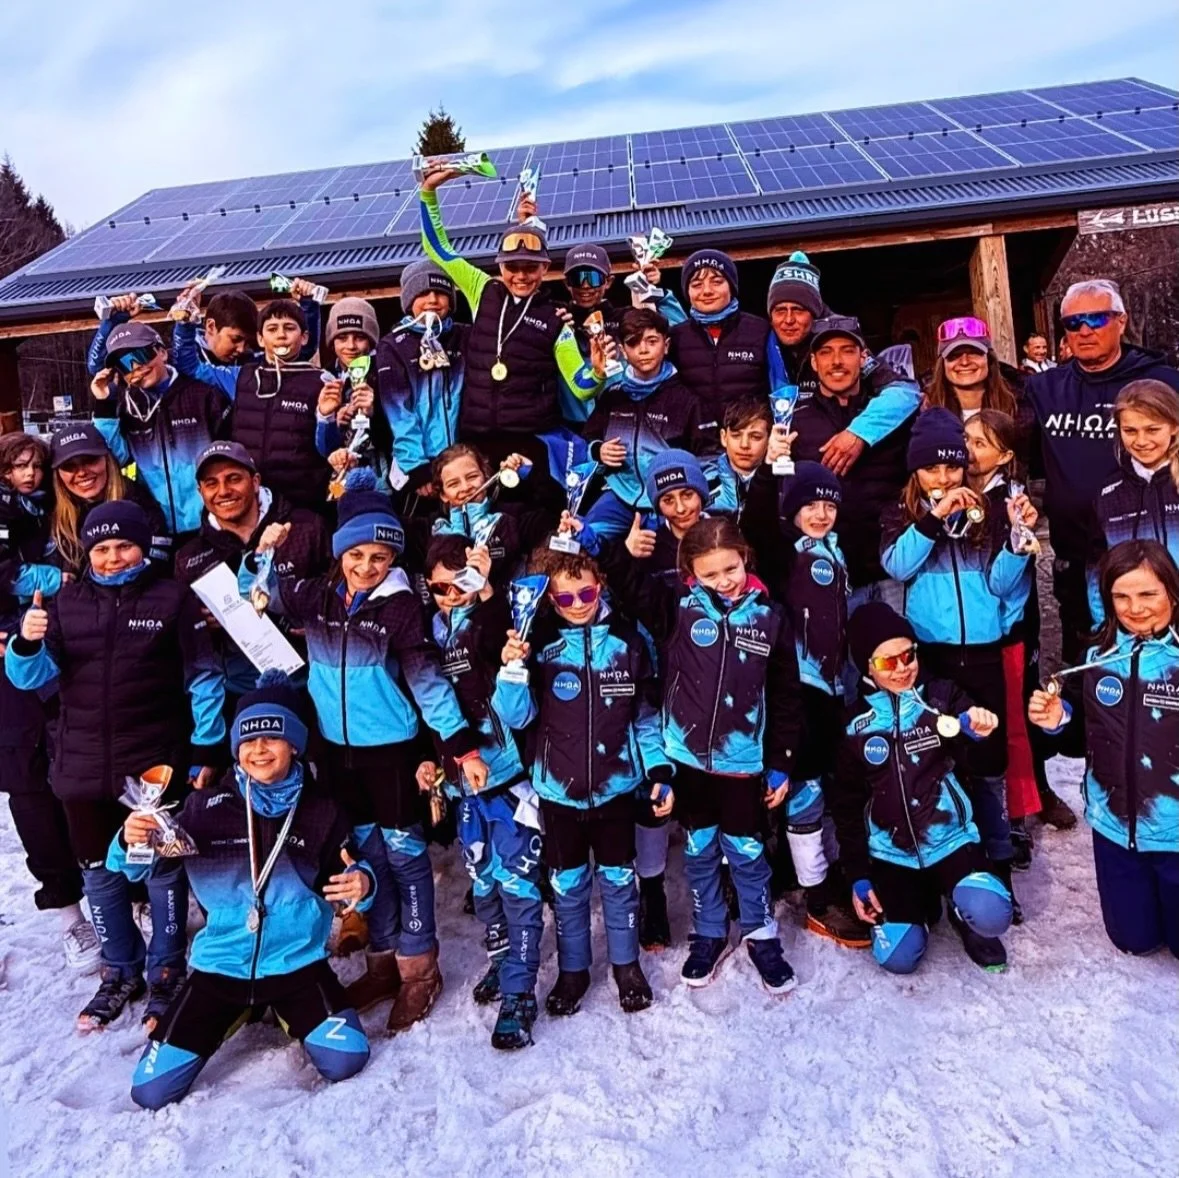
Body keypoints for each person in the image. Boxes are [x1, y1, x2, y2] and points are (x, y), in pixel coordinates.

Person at [257, 472, 488, 1033]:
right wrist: (259, 559)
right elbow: (261, 598)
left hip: (391, 753)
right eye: (358, 553)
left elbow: (428, 681)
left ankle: (419, 969)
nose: (367, 566)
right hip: (337, 756)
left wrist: (459, 747)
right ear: (340, 552)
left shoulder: (402, 607)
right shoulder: (315, 594)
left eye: (380, 556)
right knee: (366, 858)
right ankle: (383, 961)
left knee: (407, 859)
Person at [5, 501, 224, 1030]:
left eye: (123, 545)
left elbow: (204, 678)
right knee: (98, 872)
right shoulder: (64, 603)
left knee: (157, 866)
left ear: (143, 545)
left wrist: (207, 746)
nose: (112, 556)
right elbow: (30, 680)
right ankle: (119, 969)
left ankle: (167, 968)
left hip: (151, 767)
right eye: (101, 548)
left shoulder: (173, 599)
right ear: (88, 551)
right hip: (80, 765)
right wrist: (25, 642)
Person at [115, 671, 375, 1109]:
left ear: (294, 744)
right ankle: (238, 1009)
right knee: (150, 1091)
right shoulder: (203, 809)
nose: (259, 750)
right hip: (220, 969)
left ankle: (282, 1009)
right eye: (249, 740)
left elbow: (352, 874)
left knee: (347, 1058)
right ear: (236, 747)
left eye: (273, 738)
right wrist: (130, 840)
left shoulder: (321, 811)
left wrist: (362, 884)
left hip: (295, 964)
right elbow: (133, 867)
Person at [599, 515, 802, 993]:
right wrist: (615, 548)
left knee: (747, 850)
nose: (723, 582)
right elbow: (628, 586)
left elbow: (788, 698)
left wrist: (782, 763)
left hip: (742, 763)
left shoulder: (770, 618)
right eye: (709, 575)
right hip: (688, 761)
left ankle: (759, 932)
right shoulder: (676, 608)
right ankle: (709, 930)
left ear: (744, 559)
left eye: (729, 569)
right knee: (699, 848)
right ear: (690, 571)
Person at [494, 545, 667, 1032]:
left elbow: (646, 718)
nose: (577, 603)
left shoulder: (630, 641)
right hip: (559, 793)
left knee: (618, 881)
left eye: (586, 592)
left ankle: (625, 964)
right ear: (548, 599)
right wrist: (510, 668)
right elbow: (516, 716)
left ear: (602, 586)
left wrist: (657, 772)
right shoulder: (541, 645)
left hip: (615, 789)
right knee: (567, 886)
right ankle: (573, 971)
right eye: (564, 597)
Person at [881, 409, 1038, 920]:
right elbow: (896, 565)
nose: (945, 479)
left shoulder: (987, 511)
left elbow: (999, 585)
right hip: (933, 652)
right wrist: (932, 518)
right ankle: (944, 864)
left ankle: (996, 868)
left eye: (953, 469)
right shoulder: (900, 513)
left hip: (984, 649)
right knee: (941, 759)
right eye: (932, 470)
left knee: (988, 760)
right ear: (915, 472)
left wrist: (1016, 542)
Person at [832, 602, 1013, 973]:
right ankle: (923, 905)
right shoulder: (854, 726)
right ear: (866, 666)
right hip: (892, 852)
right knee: (897, 957)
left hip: (952, 840)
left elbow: (984, 761)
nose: (902, 668)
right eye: (887, 662)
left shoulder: (942, 699)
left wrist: (980, 732)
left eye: (908, 655)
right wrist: (858, 875)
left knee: (992, 913)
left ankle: (965, 914)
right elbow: (847, 806)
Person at [1029, 540, 1179, 958]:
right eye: (1122, 596)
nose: (1136, 608)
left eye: (1148, 594)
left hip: (1176, 832)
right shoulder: (1096, 657)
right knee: (1134, 941)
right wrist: (1057, 718)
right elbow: (1080, 738)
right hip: (1115, 829)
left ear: (1172, 591)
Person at [1025, 279, 1179, 674]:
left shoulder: (1164, 381)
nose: (1084, 330)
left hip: (1165, 557)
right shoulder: (1043, 388)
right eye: (1073, 322)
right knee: (1095, 673)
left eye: (1096, 318)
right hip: (1080, 563)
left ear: (1121, 321)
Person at [417, 535, 542, 1022]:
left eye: (462, 584)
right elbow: (430, 705)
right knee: (482, 880)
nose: (454, 596)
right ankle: (500, 958)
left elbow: (499, 635)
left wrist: (486, 589)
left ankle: (520, 990)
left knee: (517, 883)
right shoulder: (429, 632)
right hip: (461, 783)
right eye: (443, 589)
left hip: (508, 777)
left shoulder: (492, 619)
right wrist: (430, 762)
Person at [419, 168, 605, 473]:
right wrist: (428, 193)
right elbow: (437, 249)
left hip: (529, 442)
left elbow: (582, 386)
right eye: (512, 266)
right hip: (476, 439)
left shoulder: (555, 320)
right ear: (500, 265)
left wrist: (597, 372)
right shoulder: (482, 287)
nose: (521, 275)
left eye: (530, 268)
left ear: (545, 268)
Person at [0, 433, 98, 971]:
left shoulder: (56, 511)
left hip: (62, 655)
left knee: (81, 768)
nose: (31, 473)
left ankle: (117, 892)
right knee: (28, 781)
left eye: (37, 464)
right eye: (19, 466)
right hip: (10, 666)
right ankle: (67, 912)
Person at [773, 463, 868, 946]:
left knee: (828, 780)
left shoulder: (836, 551)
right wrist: (775, 465)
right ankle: (815, 892)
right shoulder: (785, 553)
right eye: (810, 504)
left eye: (829, 505)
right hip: (800, 682)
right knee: (806, 786)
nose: (821, 513)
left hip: (831, 685)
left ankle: (811, 868)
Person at [770, 315, 919, 599]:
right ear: (814, 362)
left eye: (847, 351)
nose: (836, 361)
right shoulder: (793, 421)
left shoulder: (895, 414)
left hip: (892, 574)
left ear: (864, 358)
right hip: (828, 576)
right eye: (826, 352)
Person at [174, 441, 330, 699]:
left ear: (255, 481)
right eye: (211, 484)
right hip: (240, 690)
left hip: (315, 682)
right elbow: (188, 638)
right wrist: (200, 622)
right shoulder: (188, 557)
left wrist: (318, 616)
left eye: (233, 479)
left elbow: (343, 588)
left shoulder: (307, 527)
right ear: (200, 491)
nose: (223, 491)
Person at [964, 410, 1048, 866]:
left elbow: (1008, 583)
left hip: (1003, 631)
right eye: (967, 439)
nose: (970, 449)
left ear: (1006, 454)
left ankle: (1013, 815)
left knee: (1010, 724)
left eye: (981, 442)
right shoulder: (952, 493)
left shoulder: (1010, 502)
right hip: (962, 637)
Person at [172, 295, 332, 511]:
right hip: (254, 502)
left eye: (289, 328)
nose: (281, 335)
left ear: (303, 337)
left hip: (305, 501)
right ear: (260, 338)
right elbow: (190, 366)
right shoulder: (241, 377)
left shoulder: (322, 381)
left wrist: (326, 418)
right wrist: (185, 325)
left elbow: (330, 446)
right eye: (272, 329)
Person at [91, 320, 232, 536]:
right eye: (124, 364)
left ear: (162, 353)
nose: (136, 367)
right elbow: (116, 459)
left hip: (213, 524)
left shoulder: (204, 395)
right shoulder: (127, 407)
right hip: (157, 529)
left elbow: (233, 457)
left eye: (141, 355)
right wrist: (103, 405)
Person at [579, 307, 705, 540]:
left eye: (651, 341)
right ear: (623, 351)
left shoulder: (685, 399)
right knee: (585, 541)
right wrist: (599, 451)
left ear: (666, 346)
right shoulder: (613, 395)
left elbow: (705, 456)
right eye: (633, 343)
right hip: (618, 494)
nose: (643, 350)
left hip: (668, 498)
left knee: (667, 553)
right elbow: (588, 440)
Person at [1086, 379, 1179, 619]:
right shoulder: (1108, 493)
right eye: (1130, 431)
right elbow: (1098, 568)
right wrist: (1104, 626)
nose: (1141, 441)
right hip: (1135, 626)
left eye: (1152, 429)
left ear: (1174, 426)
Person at [374, 261, 468, 497]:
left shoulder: (466, 336)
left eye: (441, 293)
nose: (433, 300)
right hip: (422, 466)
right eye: (423, 293)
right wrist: (417, 468)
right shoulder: (393, 345)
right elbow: (398, 413)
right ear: (408, 301)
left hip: (464, 462)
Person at [49, 423, 170, 577]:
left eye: (89, 460)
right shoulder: (49, 513)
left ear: (107, 459)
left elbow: (159, 560)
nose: (81, 473)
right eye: (69, 466)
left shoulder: (138, 501)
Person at [668, 249, 769, 422]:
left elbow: (780, 388)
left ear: (731, 286)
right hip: (695, 444)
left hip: (749, 441)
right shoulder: (676, 337)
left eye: (716, 281)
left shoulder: (761, 330)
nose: (707, 291)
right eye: (697, 284)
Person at [924, 317, 1033, 463]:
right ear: (942, 365)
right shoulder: (924, 411)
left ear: (989, 359)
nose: (964, 362)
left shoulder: (1021, 406)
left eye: (974, 353)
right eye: (954, 356)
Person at [314, 298, 382, 480]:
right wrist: (329, 420)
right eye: (342, 338)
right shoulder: (323, 378)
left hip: (383, 479)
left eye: (359, 337)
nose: (351, 346)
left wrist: (372, 413)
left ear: (371, 340)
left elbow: (394, 437)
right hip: (339, 481)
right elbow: (324, 450)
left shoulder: (386, 371)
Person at [764, 251, 828, 398]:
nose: (788, 320)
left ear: (814, 314)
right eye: (780, 310)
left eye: (798, 310)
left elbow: (888, 386)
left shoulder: (840, 336)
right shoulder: (758, 343)